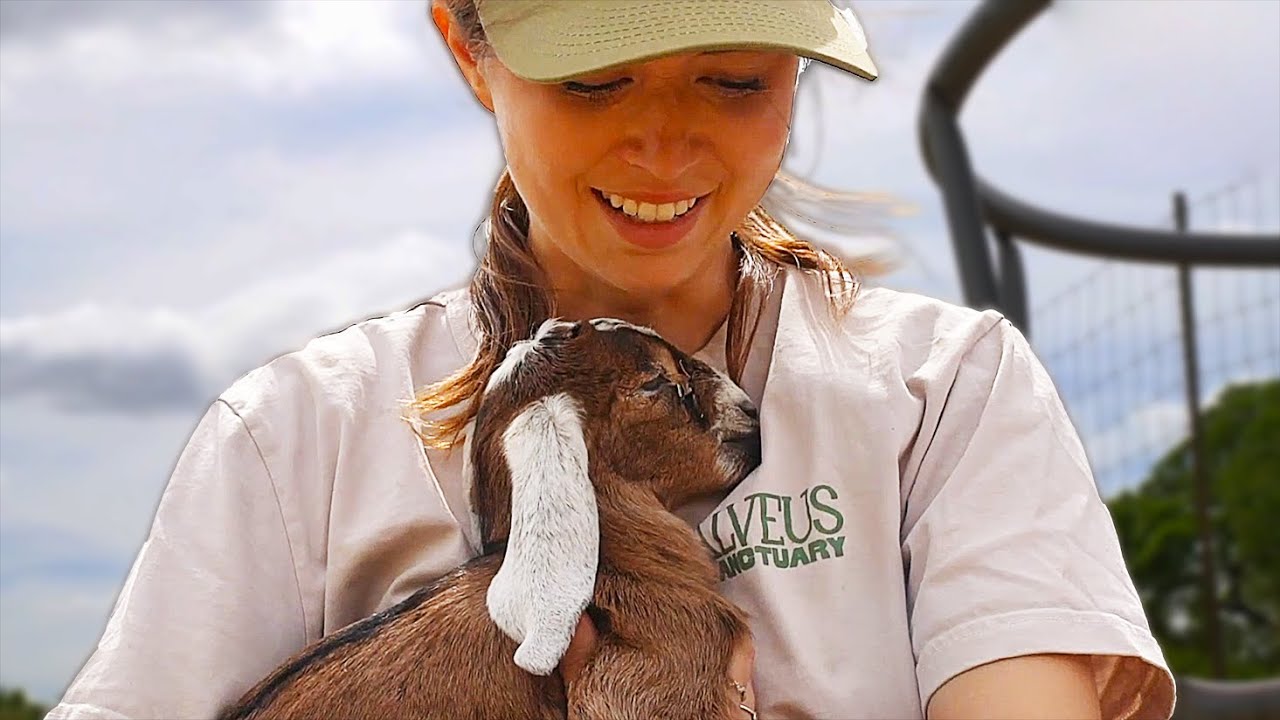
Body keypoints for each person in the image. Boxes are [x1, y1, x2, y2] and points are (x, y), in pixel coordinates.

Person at [46, 1, 1176, 718]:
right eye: (594, 79)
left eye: (735, 78)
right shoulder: (297, 436)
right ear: (465, 45)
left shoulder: (945, 388)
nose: (664, 142)